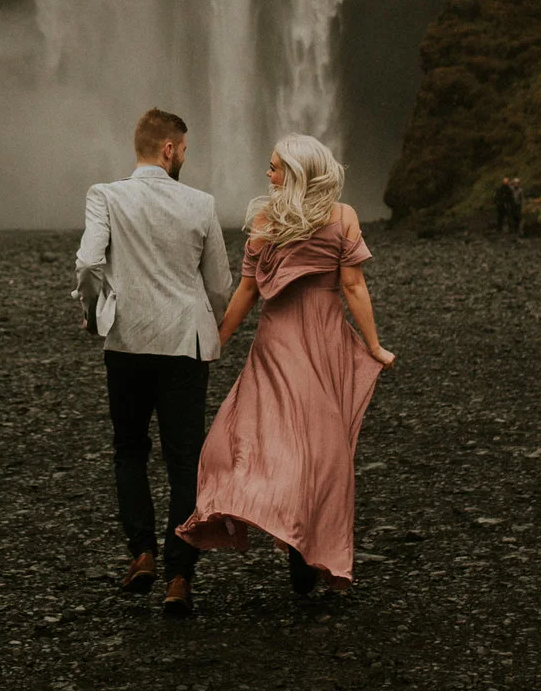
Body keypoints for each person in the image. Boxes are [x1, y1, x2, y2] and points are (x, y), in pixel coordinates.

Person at [178, 135, 396, 598]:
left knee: (264, 437)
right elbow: (353, 288)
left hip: (278, 341)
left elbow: (247, 293)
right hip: (324, 339)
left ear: (298, 173)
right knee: (323, 450)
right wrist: (373, 346)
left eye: (275, 167)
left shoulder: (266, 221)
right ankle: (307, 545)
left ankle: (287, 530)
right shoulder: (344, 217)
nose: (268, 173)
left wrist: (216, 341)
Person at [74, 108, 233, 618]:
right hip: (183, 344)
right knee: (185, 460)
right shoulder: (201, 203)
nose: (184, 156)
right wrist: (218, 325)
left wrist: (92, 311)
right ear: (168, 149)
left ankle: (141, 551)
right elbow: (220, 284)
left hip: (126, 343)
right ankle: (180, 577)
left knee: (129, 450)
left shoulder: (105, 195)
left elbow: (88, 263)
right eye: (184, 148)